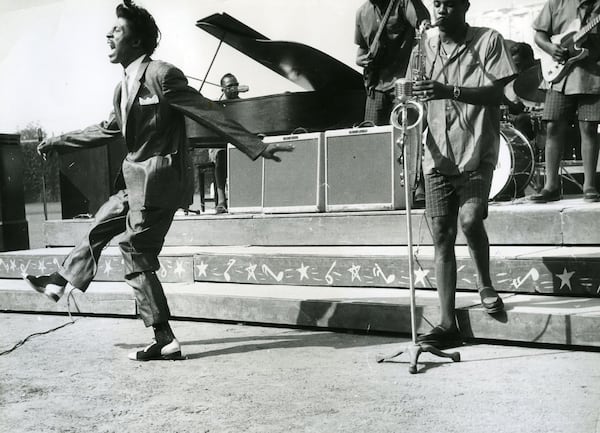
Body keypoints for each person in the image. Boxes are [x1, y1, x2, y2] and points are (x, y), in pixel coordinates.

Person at [22, 0, 292, 361]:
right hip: (133, 182)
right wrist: (57, 142)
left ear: (136, 42)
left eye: (116, 30)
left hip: (158, 183)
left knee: (135, 251)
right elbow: (107, 129)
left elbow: (207, 110)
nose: (108, 34)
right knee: (99, 226)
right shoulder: (122, 88)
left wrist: (255, 145)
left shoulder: (162, 75)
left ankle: (163, 337)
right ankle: (60, 282)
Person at [407, 0, 517, 348]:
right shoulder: (423, 45)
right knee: (442, 234)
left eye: (448, 4)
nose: (440, 9)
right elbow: (412, 92)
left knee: (470, 220)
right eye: (436, 3)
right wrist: (408, 103)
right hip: (436, 153)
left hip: (476, 149)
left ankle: (484, 281)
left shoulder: (489, 40)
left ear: (465, 6)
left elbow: (500, 93)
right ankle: (446, 323)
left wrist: (447, 91)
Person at [530, 0, 600, 203]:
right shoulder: (556, 3)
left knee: (588, 128)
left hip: (592, 75)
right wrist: (552, 49)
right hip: (560, 77)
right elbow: (539, 34)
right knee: (552, 126)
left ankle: (590, 185)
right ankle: (551, 186)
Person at [355, 0, 431, 126]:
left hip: (403, 85)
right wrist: (359, 59)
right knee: (372, 136)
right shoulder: (361, 12)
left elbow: (422, 23)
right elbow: (362, 48)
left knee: (402, 133)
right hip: (376, 86)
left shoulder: (403, 3)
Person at [208, 73, 241, 214]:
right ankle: (221, 201)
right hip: (219, 146)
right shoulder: (216, 106)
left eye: (235, 85)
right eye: (229, 86)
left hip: (238, 144)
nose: (234, 88)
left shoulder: (245, 105)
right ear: (223, 89)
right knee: (221, 155)